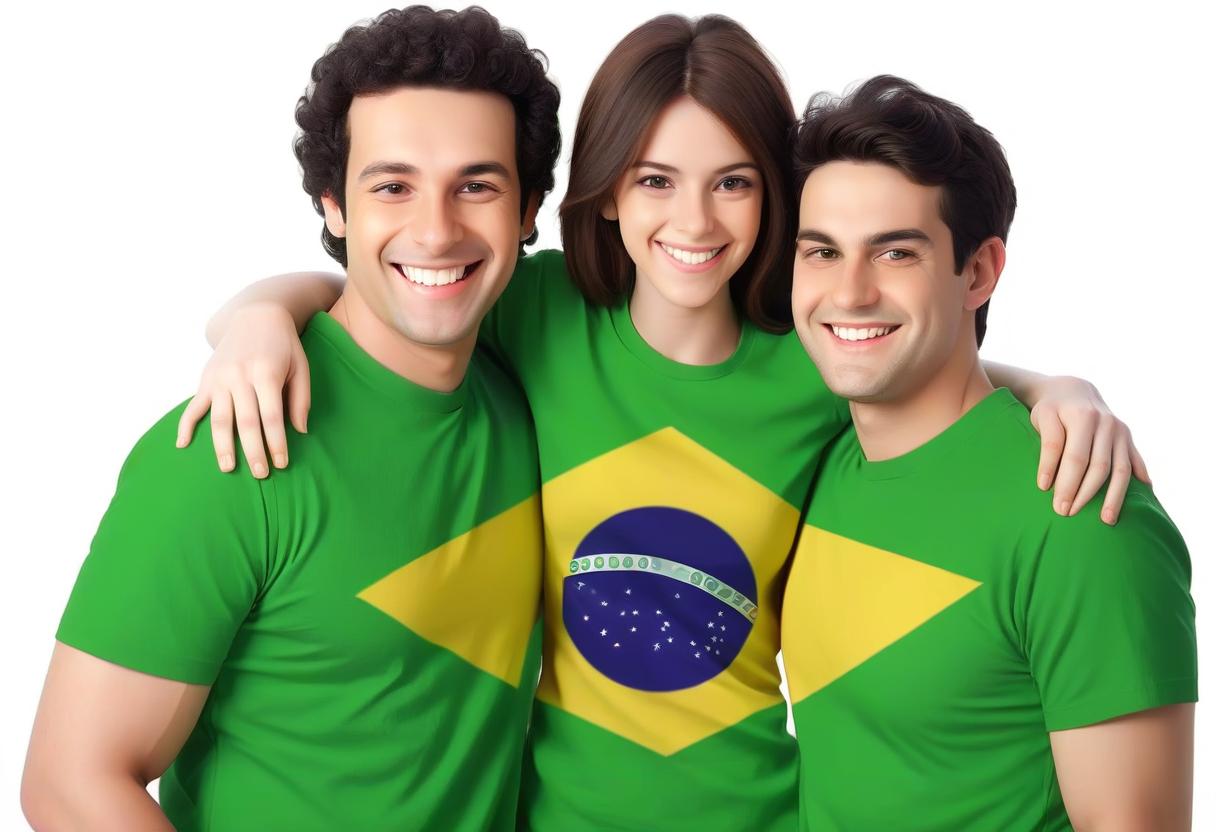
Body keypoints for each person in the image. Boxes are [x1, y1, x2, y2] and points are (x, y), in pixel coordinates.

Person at [178, 15, 1150, 831]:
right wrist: (259, 313)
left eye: (732, 180)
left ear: (775, 189)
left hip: (755, 813)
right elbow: (386, 297)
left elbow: (925, 371)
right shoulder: (537, 311)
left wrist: (1060, 389)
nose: (694, 219)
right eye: (654, 179)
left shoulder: (812, 360)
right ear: (603, 188)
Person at [22, 7, 560, 830]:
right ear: (334, 206)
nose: (436, 228)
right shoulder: (228, 448)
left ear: (527, 213)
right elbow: (69, 786)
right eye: (392, 185)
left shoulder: (529, 390)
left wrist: (263, 306)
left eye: (477, 185)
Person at [781, 76, 1197, 830]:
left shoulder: (1079, 511)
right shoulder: (818, 456)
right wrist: (1057, 383)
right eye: (821, 252)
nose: (849, 292)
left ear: (977, 271)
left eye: (895, 253)